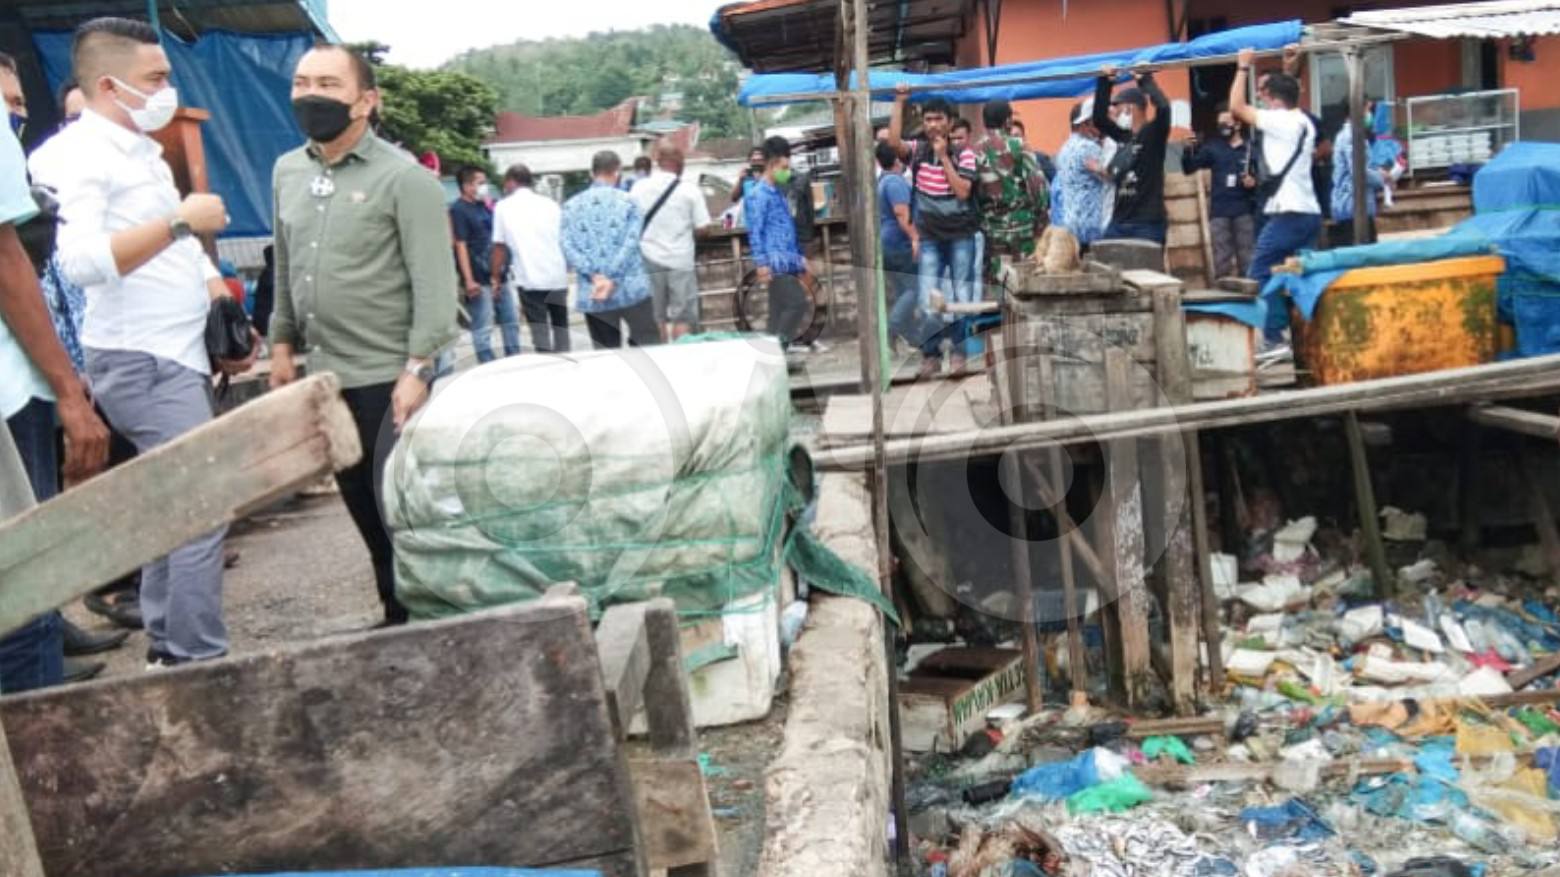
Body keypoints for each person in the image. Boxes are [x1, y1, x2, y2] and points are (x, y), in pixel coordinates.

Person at [37, 17, 254, 667]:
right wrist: (179, 219)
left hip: (175, 351)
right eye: (155, 78)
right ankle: (196, 659)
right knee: (199, 507)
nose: (168, 89)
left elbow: (176, 250)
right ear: (108, 84)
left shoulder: (142, 150)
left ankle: (170, 648)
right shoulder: (75, 157)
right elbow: (79, 261)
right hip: (142, 356)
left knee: (172, 508)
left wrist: (215, 290)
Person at [269, 43, 459, 628]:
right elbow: (285, 262)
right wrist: (280, 342)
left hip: (389, 376)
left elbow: (435, 285)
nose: (311, 96)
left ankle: (437, 621)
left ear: (366, 100)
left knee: (404, 510)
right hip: (329, 375)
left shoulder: (405, 180)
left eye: (328, 83)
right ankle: (397, 615)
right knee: (359, 504)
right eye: (302, 83)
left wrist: (418, 368)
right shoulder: (288, 170)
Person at [0, 95, 114, 692]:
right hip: (7, 402)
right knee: (21, 597)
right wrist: (69, 393)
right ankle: (41, 779)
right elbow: (5, 259)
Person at [886, 85, 979, 377]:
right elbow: (892, 143)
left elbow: (963, 191)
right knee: (929, 298)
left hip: (961, 235)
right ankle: (931, 355)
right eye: (928, 120)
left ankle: (960, 355)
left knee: (962, 296)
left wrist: (945, 158)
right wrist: (900, 102)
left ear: (949, 123)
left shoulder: (965, 154)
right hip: (929, 237)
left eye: (938, 119)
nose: (933, 125)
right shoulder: (918, 151)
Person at [1232, 48, 1321, 344]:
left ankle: (1274, 338)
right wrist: (1289, 69)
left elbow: (1236, 107)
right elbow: (1287, 95)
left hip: (1289, 213)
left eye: (1263, 93)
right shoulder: (1303, 121)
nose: (1259, 98)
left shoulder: (1280, 121)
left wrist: (1243, 67)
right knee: (1295, 275)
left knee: (1260, 273)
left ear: (1272, 97)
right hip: (1308, 212)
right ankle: (1300, 336)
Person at [560, 150, 660, 350]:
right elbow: (631, 243)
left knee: (606, 355)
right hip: (631, 287)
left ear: (592, 173)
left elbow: (566, 245)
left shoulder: (570, 206)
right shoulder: (629, 202)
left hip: (594, 291)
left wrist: (596, 276)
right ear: (617, 171)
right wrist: (611, 275)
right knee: (647, 348)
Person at [630, 145, 711, 341]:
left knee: (656, 316)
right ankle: (681, 361)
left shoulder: (639, 188)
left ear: (658, 163)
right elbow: (703, 228)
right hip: (680, 260)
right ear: (680, 165)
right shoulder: (690, 191)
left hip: (648, 258)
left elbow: (630, 222)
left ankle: (661, 360)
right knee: (682, 316)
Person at [490, 163, 570, 354]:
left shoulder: (502, 207)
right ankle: (568, 360)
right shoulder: (550, 204)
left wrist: (495, 277)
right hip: (556, 274)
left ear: (510, 182)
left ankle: (547, 365)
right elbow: (564, 238)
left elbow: (499, 247)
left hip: (529, 277)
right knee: (561, 327)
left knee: (539, 329)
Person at [743, 136, 811, 349]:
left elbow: (787, 228)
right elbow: (755, 231)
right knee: (796, 304)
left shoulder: (778, 193)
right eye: (784, 167)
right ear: (771, 165)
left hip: (787, 260)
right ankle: (776, 351)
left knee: (779, 311)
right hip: (774, 262)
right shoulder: (758, 194)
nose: (787, 172)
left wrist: (799, 257)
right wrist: (762, 264)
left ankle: (770, 355)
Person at [1094, 66, 1171, 244]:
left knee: (1146, 271)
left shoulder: (1153, 135)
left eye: (1117, 107)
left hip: (1146, 224)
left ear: (1130, 107)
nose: (1114, 112)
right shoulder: (1124, 137)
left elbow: (1164, 108)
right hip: (1120, 221)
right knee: (1110, 267)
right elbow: (1099, 119)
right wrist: (1105, 83)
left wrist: (1146, 82)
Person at [974, 99, 1048, 282]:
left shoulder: (974, 151)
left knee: (999, 281)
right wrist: (1041, 220)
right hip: (1023, 226)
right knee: (1027, 280)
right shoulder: (1019, 145)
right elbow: (1038, 186)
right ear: (1007, 121)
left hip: (991, 229)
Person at [1182, 105, 1259, 278]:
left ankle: (1250, 296)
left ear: (1238, 124)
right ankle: (1224, 295)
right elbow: (1189, 168)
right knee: (1221, 260)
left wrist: (1254, 182)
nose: (1223, 127)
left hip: (1244, 210)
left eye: (1227, 123)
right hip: (1219, 211)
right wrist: (1188, 149)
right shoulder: (1213, 148)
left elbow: (1264, 179)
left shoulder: (1250, 149)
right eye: (1220, 124)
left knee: (1248, 258)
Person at [451, 165, 518, 362]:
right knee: (483, 325)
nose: (484, 187)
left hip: (499, 273)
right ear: (467, 186)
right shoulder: (458, 210)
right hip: (479, 278)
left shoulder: (487, 206)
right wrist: (469, 279)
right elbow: (460, 245)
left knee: (510, 320)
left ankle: (514, 358)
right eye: (480, 183)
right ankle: (487, 363)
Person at [878, 141, 937, 361]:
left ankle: (915, 339)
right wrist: (915, 238)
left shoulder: (882, 181)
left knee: (904, 291)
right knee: (915, 288)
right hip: (899, 243)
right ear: (896, 160)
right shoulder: (895, 183)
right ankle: (892, 328)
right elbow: (902, 214)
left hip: (888, 244)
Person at [1052, 100, 1113, 247]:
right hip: (1089, 226)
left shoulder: (1065, 148)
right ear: (1086, 123)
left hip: (1068, 222)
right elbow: (1109, 175)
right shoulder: (1088, 148)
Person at [1330, 103, 1389, 248]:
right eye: (1367, 109)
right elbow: (1358, 171)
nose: (1370, 114)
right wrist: (1382, 177)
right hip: (1354, 209)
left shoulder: (1350, 135)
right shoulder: (1352, 136)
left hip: (1353, 208)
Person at [1008, 118, 1056, 184]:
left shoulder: (1040, 158)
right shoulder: (1005, 164)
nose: (1014, 140)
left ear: (1024, 138)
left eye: (1016, 136)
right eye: (1010, 137)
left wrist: (1032, 159)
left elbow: (1056, 182)